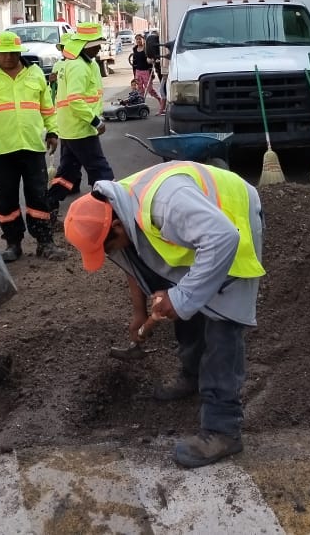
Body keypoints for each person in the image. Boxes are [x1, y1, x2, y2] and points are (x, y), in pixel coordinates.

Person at [63, 160, 265, 468]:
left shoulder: (165, 206)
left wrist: (181, 296)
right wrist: (138, 311)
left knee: (222, 323)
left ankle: (223, 430)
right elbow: (130, 258)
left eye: (108, 247)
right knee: (184, 304)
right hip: (201, 229)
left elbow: (223, 238)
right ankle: (193, 375)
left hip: (232, 220)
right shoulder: (118, 208)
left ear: (116, 227)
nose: (110, 253)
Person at [0, 31, 64, 262]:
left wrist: (52, 131)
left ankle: (45, 242)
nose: (8, 57)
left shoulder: (35, 72)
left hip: (32, 147)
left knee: (38, 196)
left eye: (12, 53)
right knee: (6, 198)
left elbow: (47, 107)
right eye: (3, 53)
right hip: (2, 150)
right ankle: (12, 243)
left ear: (20, 52)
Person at [47, 22, 114, 209]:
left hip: (72, 128)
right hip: (80, 128)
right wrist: (96, 122)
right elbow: (75, 100)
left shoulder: (83, 63)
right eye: (97, 44)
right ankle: (108, 207)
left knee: (67, 172)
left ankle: (48, 205)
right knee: (101, 170)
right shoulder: (78, 66)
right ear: (86, 45)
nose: (100, 47)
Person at [129, 33, 165, 116]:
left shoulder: (146, 49)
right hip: (138, 71)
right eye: (137, 39)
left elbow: (151, 61)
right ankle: (141, 105)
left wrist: (152, 74)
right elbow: (134, 63)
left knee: (149, 89)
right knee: (140, 90)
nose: (138, 40)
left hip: (146, 71)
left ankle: (160, 100)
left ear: (143, 40)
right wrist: (134, 74)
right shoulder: (134, 49)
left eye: (140, 39)